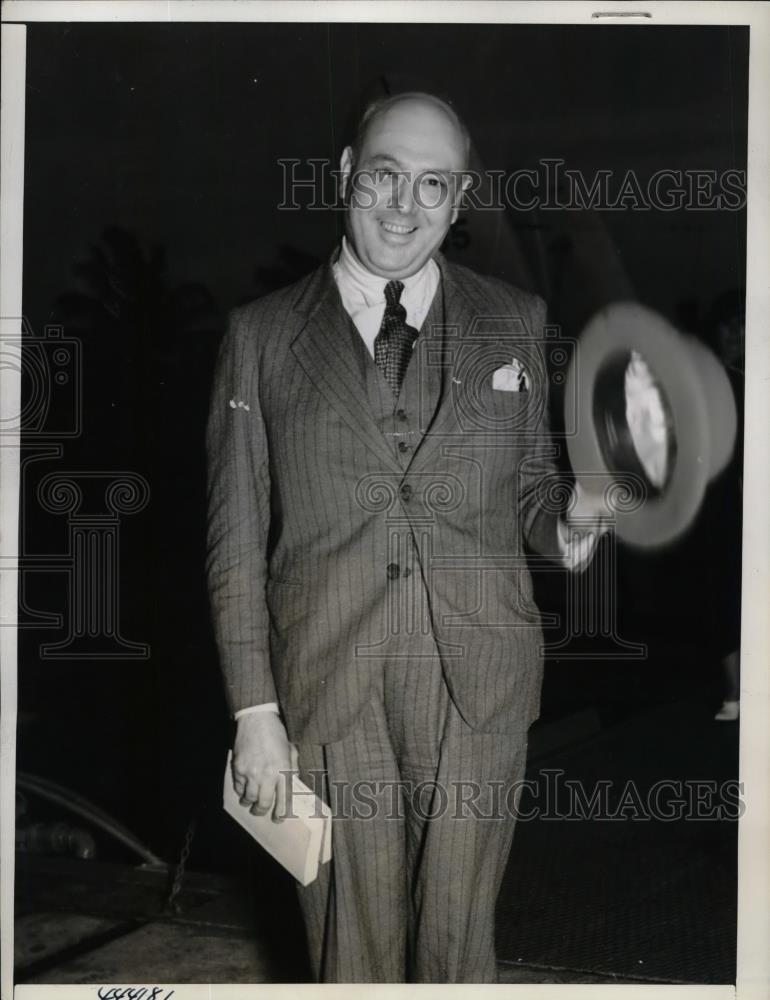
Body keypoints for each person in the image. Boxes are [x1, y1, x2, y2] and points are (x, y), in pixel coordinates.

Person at [206, 91, 610, 983]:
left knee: (458, 947)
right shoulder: (262, 336)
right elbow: (233, 543)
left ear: (459, 200)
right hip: (324, 683)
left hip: (478, 684)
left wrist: (575, 518)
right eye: (385, 175)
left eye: (433, 185)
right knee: (350, 950)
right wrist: (255, 715)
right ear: (348, 176)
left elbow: (535, 493)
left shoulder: (515, 319)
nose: (403, 205)